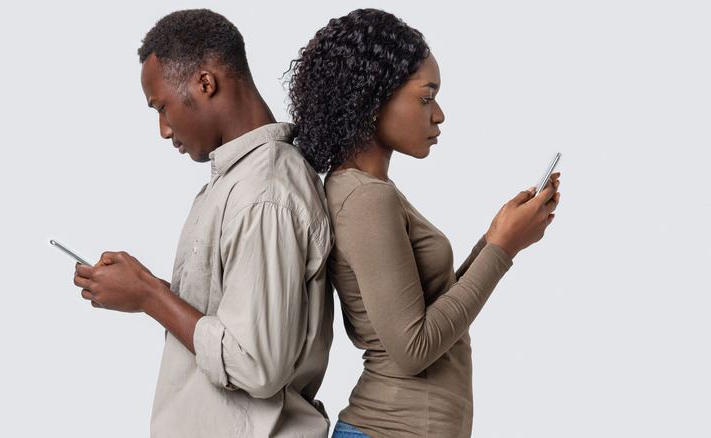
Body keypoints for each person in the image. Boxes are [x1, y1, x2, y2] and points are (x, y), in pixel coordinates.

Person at [288, 9, 560, 438]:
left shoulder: (366, 190)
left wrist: (496, 238)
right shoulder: (365, 198)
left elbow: (433, 307)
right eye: (426, 97)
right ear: (373, 100)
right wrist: (502, 250)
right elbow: (414, 348)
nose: (439, 115)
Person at [73, 9, 334, 437]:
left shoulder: (263, 194)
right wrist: (141, 286)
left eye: (162, 107)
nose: (163, 128)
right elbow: (234, 317)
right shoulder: (237, 182)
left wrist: (149, 295)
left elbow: (255, 363)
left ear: (205, 83)